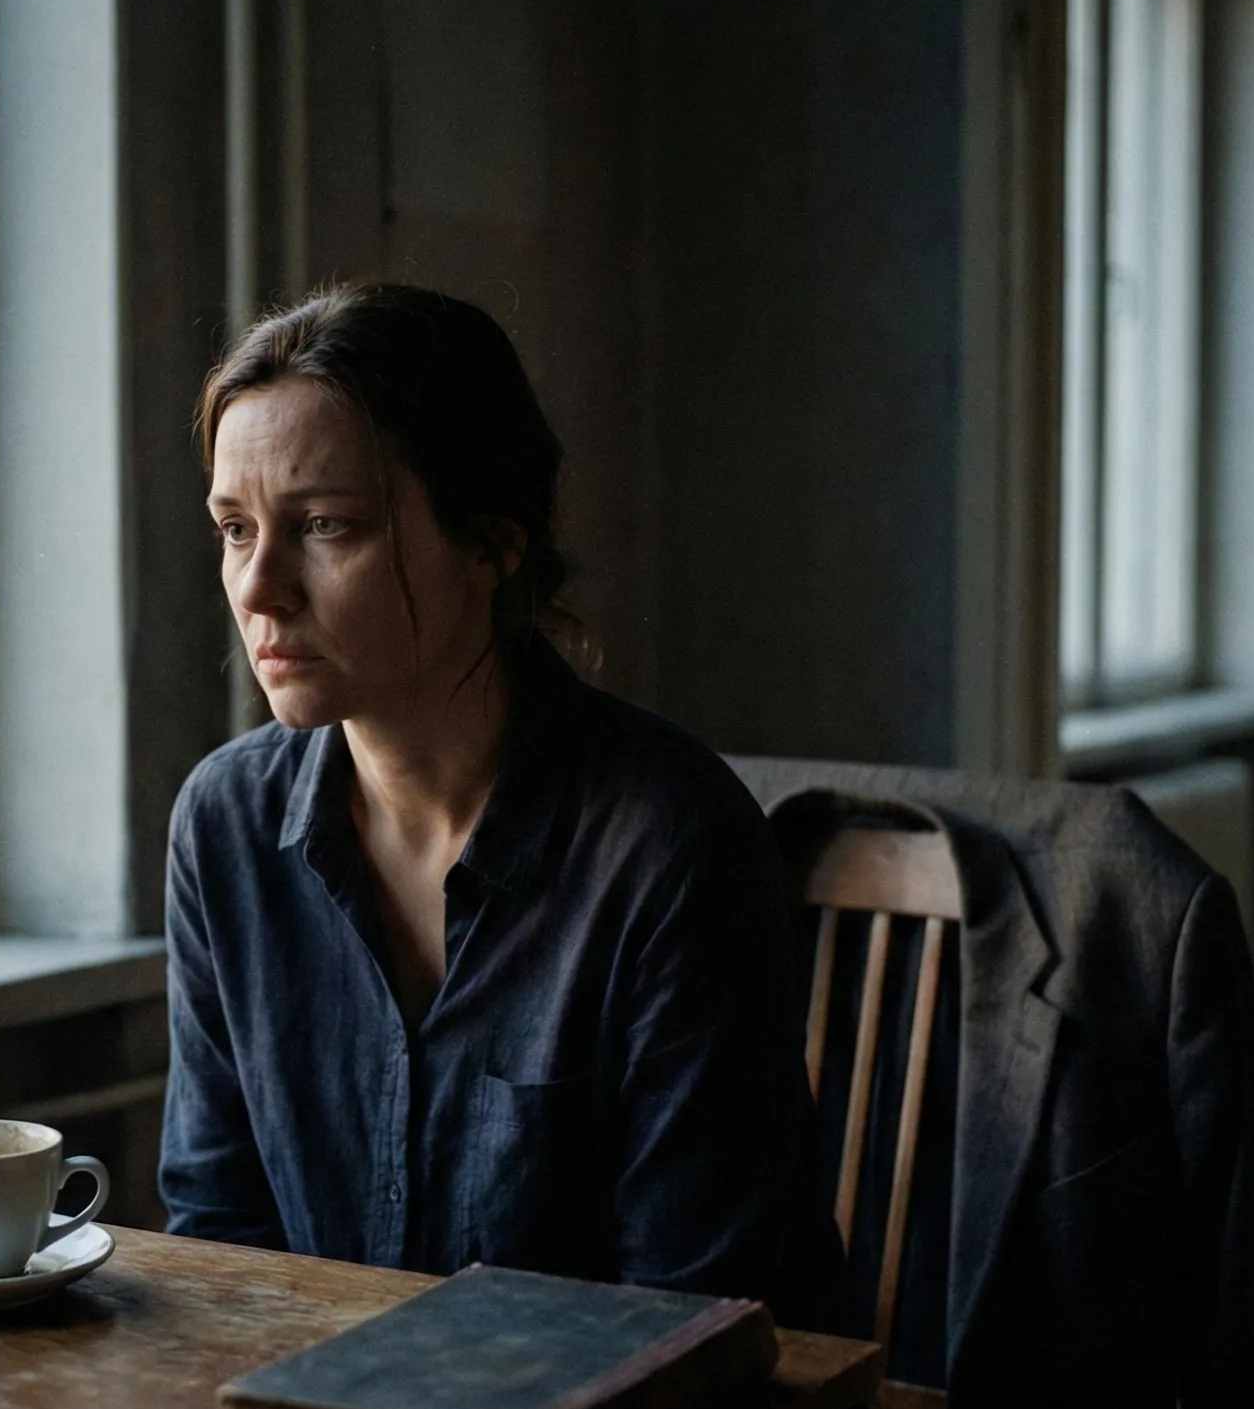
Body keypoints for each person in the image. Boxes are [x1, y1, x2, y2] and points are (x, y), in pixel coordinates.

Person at [159, 282, 848, 1328]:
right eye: (233, 528)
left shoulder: (666, 845)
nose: (257, 587)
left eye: (325, 526)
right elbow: (219, 1245)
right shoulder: (225, 828)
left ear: (491, 541)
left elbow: (688, 1312)